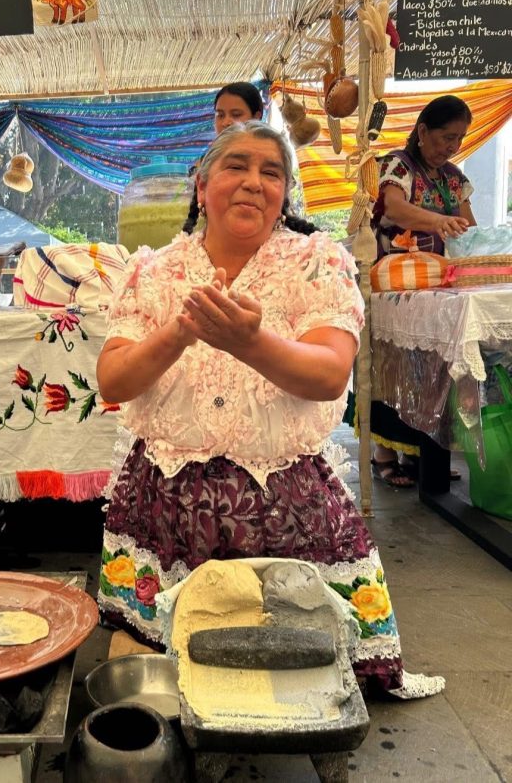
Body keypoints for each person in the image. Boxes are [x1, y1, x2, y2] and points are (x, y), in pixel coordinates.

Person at [97, 120, 443, 699]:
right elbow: (114, 378)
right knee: (172, 674)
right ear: (201, 185)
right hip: (167, 504)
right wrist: (181, 331)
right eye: (237, 166)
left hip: (286, 507)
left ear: (285, 194)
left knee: (298, 671)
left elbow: (331, 374)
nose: (254, 182)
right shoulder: (153, 272)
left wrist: (249, 343)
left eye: (272, 172)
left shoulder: (316, 264)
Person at [368, 95, 475, 488]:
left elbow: (469, 227)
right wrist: (439, 220)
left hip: (436, 288)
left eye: (459, 139)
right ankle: (383, 453)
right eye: (446, 136)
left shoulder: (454, 178)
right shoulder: (397, 165)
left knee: (429, 371)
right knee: (389, 368)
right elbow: (394, 209)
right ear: (423, 130)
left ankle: (422, 453)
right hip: (392, 284)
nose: (452, 146)